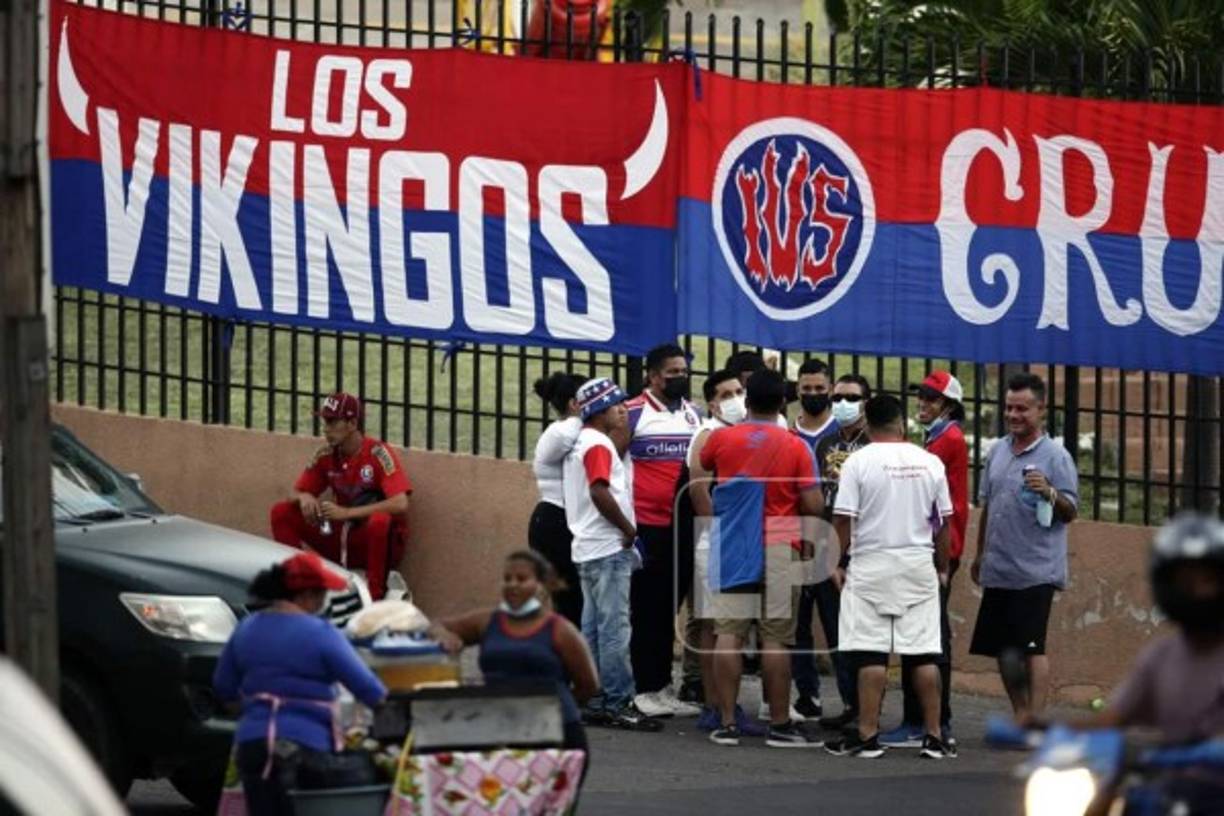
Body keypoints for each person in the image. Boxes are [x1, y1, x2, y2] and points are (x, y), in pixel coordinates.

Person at [1031, 513, 1224, 808]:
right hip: (1170, 790)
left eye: (1207, 580)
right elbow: (1114, 718)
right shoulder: (1161, 656)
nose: (1196, 590)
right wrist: (1047, 726)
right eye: (1184, 580)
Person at [697, 369, 824, 748]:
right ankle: (781, 724)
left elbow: (705, 464)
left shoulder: (722, 439)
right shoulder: (797, 446)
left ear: (746, 401)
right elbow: (813, 503)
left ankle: (727, 720)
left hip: (734, 540)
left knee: (728, 633)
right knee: (776, 638)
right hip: (782, 540)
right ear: (784, 403)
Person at [825, 395, 955, 760]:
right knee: (925, 652)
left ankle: (867, 734)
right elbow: (943, 522)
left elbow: (842, 518)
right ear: (902, 424)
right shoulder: (929, 463)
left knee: (871, 653)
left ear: (866, 423)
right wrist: (942, 567)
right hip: (917, 564)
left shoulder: (858, 463)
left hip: (871, 565)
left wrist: (834, 563)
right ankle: (935, 736)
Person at [213, 552, 388, 816]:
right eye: (321, 594)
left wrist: (257, 707)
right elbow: (370, 690)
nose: (322, 602)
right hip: (307, 748)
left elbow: (223, 687)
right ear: (307, 595)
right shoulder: (321, 633)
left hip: (253, 746)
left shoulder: (246, 628)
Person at [428, 550, 599, 795]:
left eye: (521, 579)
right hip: (502, 734)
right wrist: (445, 636)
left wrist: (552, 708)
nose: (512, 585)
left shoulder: (560, 630)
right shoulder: (488, 621)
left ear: (541, 584)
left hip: (556, 737)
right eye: (507, 579)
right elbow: (437, 625)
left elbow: (588, 685)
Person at [969, 372, 1079, 720]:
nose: (1014, 415)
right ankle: (1020, 715)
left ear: (1041, 410)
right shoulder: (998, 451)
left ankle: (1033, 720)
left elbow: (1070, 511)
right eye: (1009, 408)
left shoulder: (1056, 457)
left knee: (1031, 649)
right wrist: (979, 553)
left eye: (1022, 409)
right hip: (999, 566)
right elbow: (989, 505)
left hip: (1036, 570)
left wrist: (1049, 491)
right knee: (1003, 651)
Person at [563, 377, 662, 731]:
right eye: (617, 404)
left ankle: (595, 698)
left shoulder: (581, 442)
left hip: (587, 547)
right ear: (599, 411)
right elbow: (600, 492)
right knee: (615, 629)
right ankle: (619, 701)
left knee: (592, 627)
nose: (624, 409)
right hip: (607, 547)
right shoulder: (599, 445)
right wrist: (628, 528)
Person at [882, 370, 970, 751]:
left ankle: (929, 721)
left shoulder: (945, 440)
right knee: (925, 635)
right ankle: (925, 719)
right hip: (938, 543)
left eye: (931, 399)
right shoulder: (938, 437)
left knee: (929, 638)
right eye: (921, 396)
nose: (923, 403)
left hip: (940, 546)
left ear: (948, 405)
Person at [269, 392, 412, 600]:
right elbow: (295, 490)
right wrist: (304, 497)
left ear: (353, 423)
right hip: (341, 535)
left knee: (380, 521)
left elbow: (401, 503)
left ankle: (374, 597)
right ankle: (296, 588)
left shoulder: (378, 453)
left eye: (332, 422)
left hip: (376, 542)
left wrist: (347, 513)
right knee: (281, 512)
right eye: (324, 422)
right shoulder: (326, 454)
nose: (325, 429)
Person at [624, 344, 703, 718]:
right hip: (646, 529)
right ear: (652, 376)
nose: (679, 377)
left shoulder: (693, 416)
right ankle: (643, 688)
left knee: (670, 609)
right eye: (671, 372)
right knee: (646, 612)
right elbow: (610, 467)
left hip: (681, 529)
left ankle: (662, 685)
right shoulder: (632, 413)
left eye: (683, 370)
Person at [686, 369, 766, 738]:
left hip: (743, 539)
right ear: (713, 402)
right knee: (712, 624)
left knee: (727, 625)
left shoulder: (745, 431)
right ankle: (716, 705)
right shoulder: (707, 434)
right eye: (726, 393)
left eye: (739, 390)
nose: (735, 398)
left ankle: (722, 703)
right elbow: (699, 491)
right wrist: (717, 535)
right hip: (717, 539)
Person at [811, 372, 873, 731]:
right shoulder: (826, 443)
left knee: (860, 635)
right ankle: (850, 703)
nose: (842, 405)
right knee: (835, 633)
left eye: (850, 398)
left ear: (866, 402)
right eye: (837, 398)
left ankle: (867, 709)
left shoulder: (873, 446)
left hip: (862, 551)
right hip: (827, 547)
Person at [783, 358, 843, 724]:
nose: (814, 395)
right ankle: (807, 696)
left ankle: (851, 700)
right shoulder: (788, 435)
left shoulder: (843, 435)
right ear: (797, 390)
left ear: (831, 389)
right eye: (807, 389)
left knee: (837, 625)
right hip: (791, 541)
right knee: (796, 627)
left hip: (834, 542)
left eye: (820, 389)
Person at [529, 372, 589, 627]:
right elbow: (579, 431)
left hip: (573, 519)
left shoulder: (574, 429)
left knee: (577, 601)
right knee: (569, 600)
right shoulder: (562, 431)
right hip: (555, 521)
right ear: (574, 404)